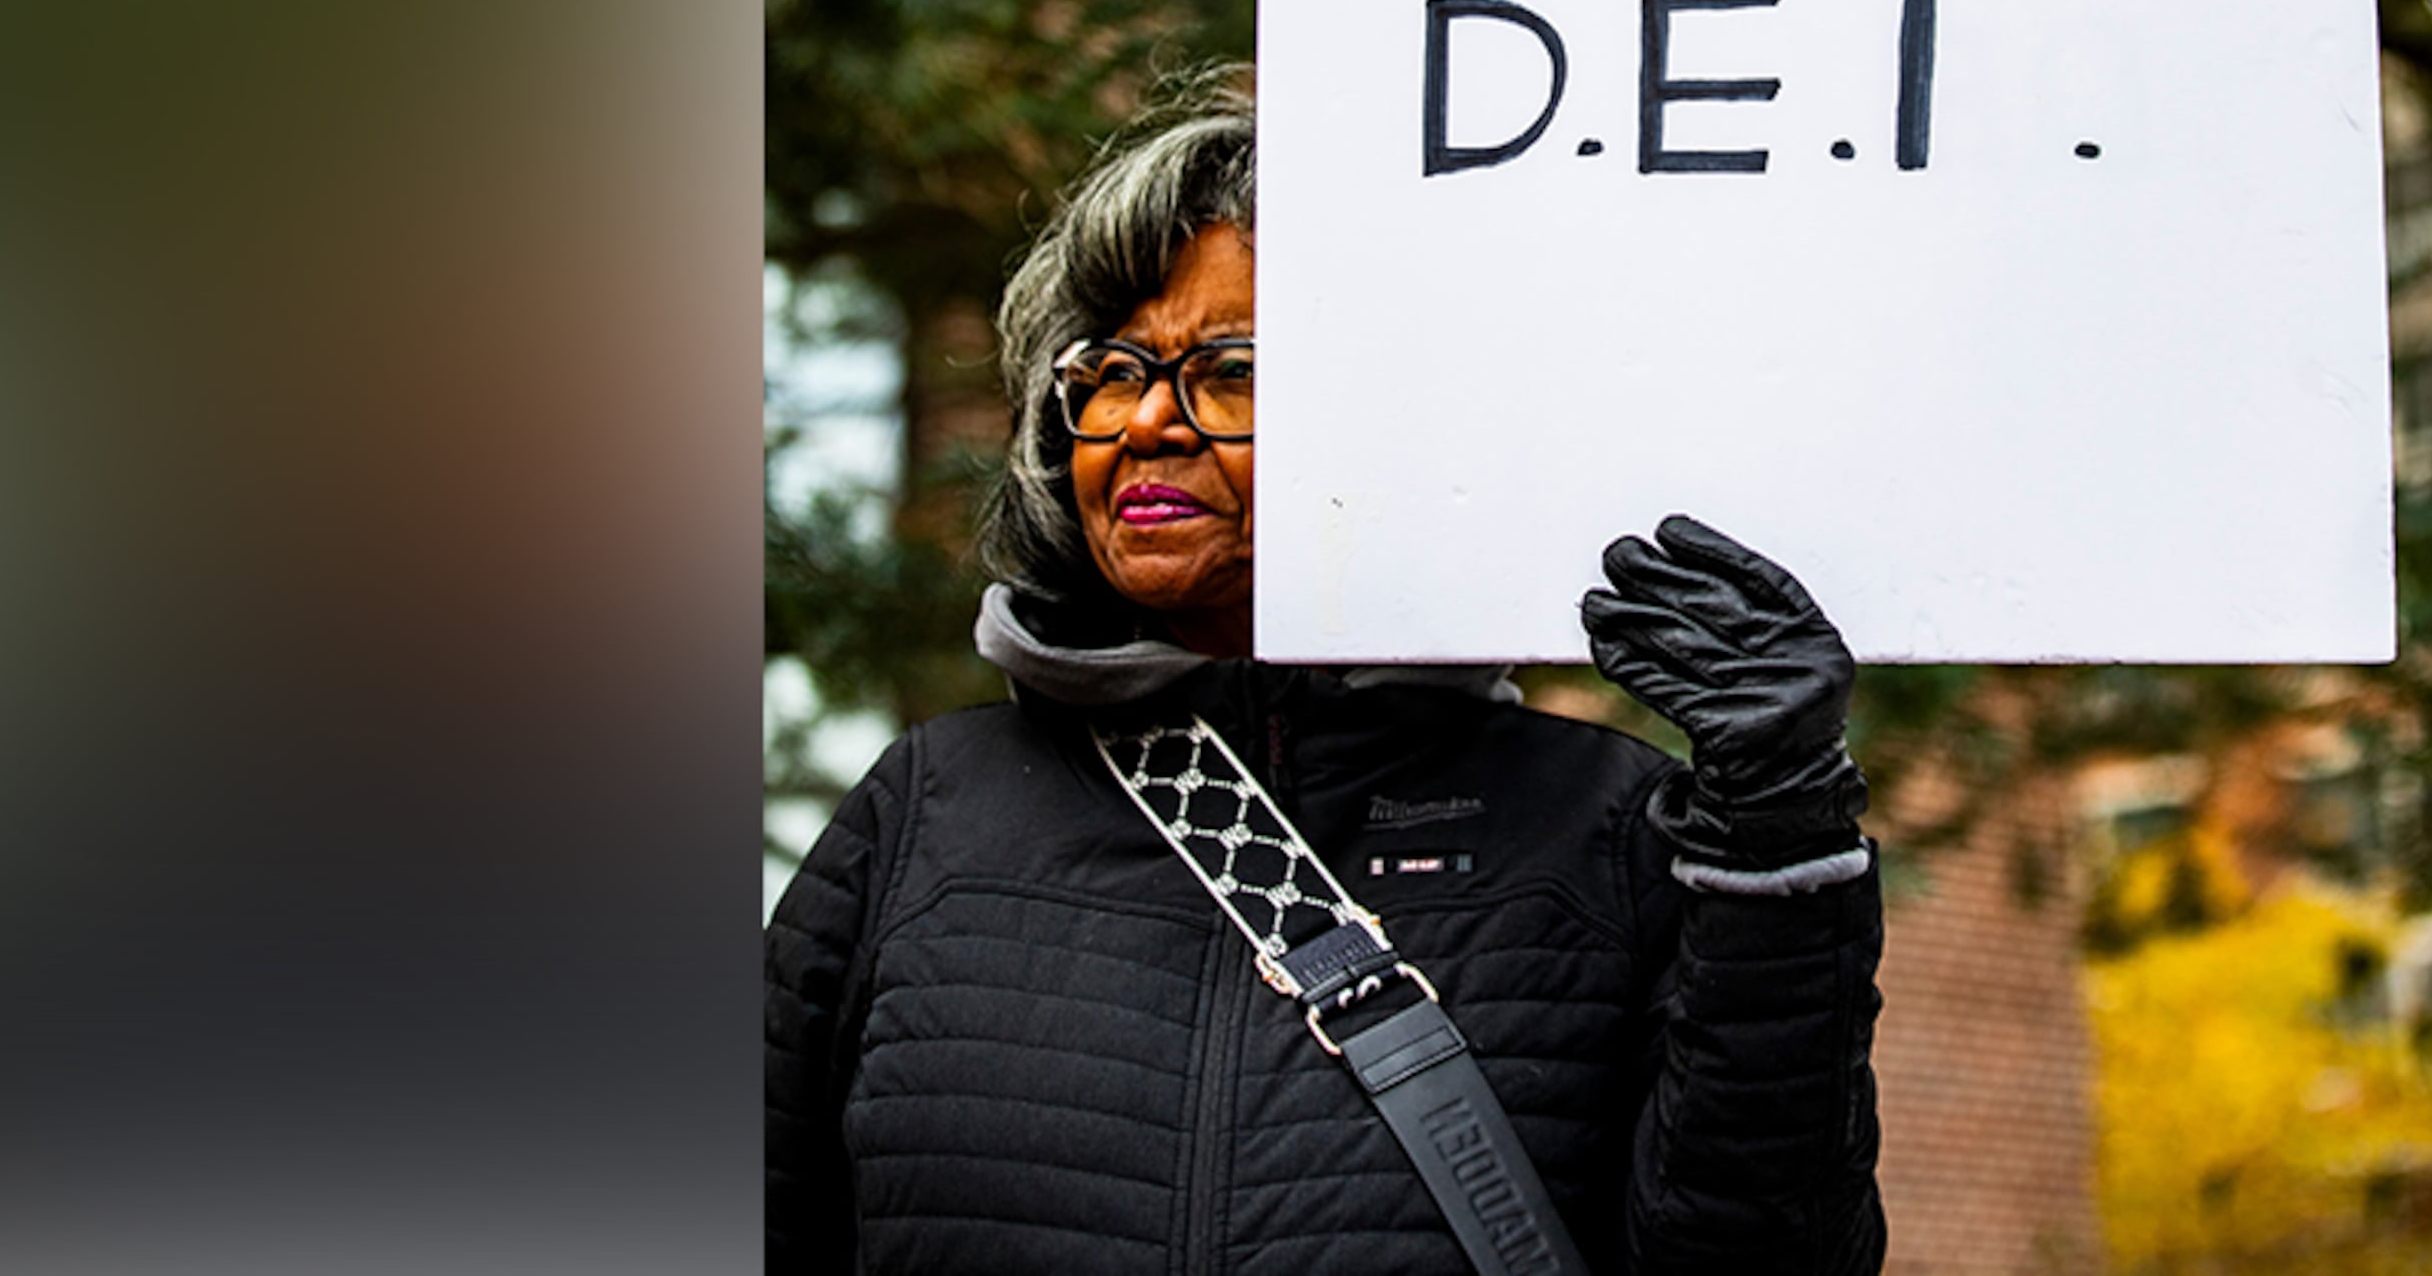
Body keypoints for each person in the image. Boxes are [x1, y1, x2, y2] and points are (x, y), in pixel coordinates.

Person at [765, 85, 1888, 1274]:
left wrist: (1780, 838)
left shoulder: (1604, 835)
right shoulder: (924, 817)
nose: (1147, 419)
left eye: (1230, 367)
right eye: (1110, 369)